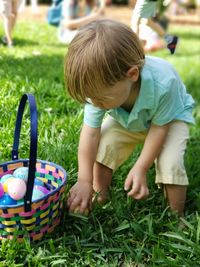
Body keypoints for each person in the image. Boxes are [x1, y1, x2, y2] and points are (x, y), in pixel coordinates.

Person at [65, 19, 195, 217]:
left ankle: (176, 217)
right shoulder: (100, 93)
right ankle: (100, 197)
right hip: (127, 116)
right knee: (104, 145)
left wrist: (141, 167)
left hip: (170, 119)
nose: (95, 103)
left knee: (170, 162)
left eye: (100, 99)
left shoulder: (164, 84)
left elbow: (159, 129)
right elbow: (90, 134)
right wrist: (84, 180)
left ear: (132, 74)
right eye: (93, 99)